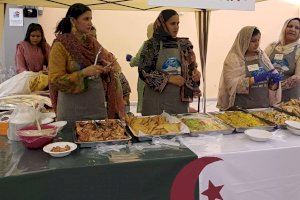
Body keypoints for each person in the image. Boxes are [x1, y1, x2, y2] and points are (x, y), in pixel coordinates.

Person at [48, 3, 124, 124]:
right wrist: (83, 73)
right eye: (86, 19)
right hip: (72, 108)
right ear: (73, 20)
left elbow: (113, 64)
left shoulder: (92, 42)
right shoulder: (60, 45)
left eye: (91, 19)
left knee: (99, 138)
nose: (90, 23)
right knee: (72, 141)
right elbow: (55, 80)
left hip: (96, 106)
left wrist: (105, 67)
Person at [138, 9, 201, 116]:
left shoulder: (184, 45)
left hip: (179, 104)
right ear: (162, 24)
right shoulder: (151, 45)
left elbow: (191, 68)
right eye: (172, 23)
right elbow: (143, 72)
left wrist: (195, 74)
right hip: (156, 104)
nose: (176, 27)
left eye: (178, 23)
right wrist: (169, 78)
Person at [217, 26, 282, 110]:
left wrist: (274, 82)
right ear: (244, 41)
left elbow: (270, 82)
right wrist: (255, 79)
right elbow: (232, 86)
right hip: (241, 108)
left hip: (262, 107)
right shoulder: (233, 59)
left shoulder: (262, 56)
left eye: (258, 40)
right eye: (253, 41)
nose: (257, 44)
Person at [90, 26, 131, 114]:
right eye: (90, 37)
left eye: (95, 37)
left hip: (114, 102)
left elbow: (119, 75)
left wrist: (124, 99)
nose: (93, 40)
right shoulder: (81, 58)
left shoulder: (105, 54)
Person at [265, 18, 300, 101]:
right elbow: (261, 66)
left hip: (288, 100)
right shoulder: (272, 46)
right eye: (290, 26)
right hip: (267, 96)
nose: (292, 29)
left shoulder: (299, 50)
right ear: (284, 28)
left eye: (297, 28)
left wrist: (275, 87)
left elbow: (298, 77)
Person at [126, 23, 154, 113]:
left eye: (147, 31)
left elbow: (138, 60)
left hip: (146, 79)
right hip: (160, 81)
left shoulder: (148, 44)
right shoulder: (164, 44)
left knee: (146, 107)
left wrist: (131, 60)